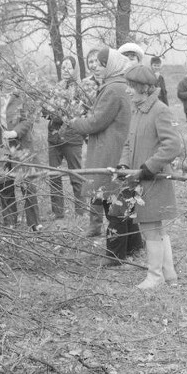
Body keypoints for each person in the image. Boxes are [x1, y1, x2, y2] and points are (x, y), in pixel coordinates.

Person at [69, 48, 141, 265]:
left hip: (110, 150)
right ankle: (134, 246)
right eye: (94, 64)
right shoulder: (121, 85)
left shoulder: (113, 89)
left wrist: (73, 123)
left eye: (100, 64)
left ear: (110, 65)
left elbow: (96, 122)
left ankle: (114, 256)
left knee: (113, 204)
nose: (95, 68)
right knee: (125, 200)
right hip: (120, 149)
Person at [117, 65, 183, 289]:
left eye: (131, 86)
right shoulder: (137, 109)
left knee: (150, 226)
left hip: (153, 179)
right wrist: (124, 164)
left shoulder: (160, 110)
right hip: (138, 178)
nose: (127, 90)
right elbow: (129, 141)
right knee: (154, 226)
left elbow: (174, 145)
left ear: (144, 88)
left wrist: (148, 168)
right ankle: (169, 273)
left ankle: (155, 277)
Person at [0, 66, 42, 231]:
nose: (7, 80)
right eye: (4, 77)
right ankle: (10, 222)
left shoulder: (22, 97)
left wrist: (15, 132)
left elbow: (28, 121)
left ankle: (34, 223)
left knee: (27, 183)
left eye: (11, 77)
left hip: (20, 146)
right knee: (4, 184)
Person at [45, 56, 86, 219]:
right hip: (54, 138)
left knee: (75, 175)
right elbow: (48, 109)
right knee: (53, 175)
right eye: (63, 67)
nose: (65, 70)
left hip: (72, 137)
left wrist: (61, 113)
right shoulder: (56, 87)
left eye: (69, 67)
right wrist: (47, 110)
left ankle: (81, 211)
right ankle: (57, 211)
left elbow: (79, 112)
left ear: (75, 69)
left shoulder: (81, 89)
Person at [81, 49, 104, 237]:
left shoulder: (111, 82)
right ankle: (95, 223)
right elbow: (79, 110)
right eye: (90, 61)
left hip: (111, 136)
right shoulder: (85, 84)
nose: (93, 64)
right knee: (94, 179)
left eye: (96, 61)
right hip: (92, 136)